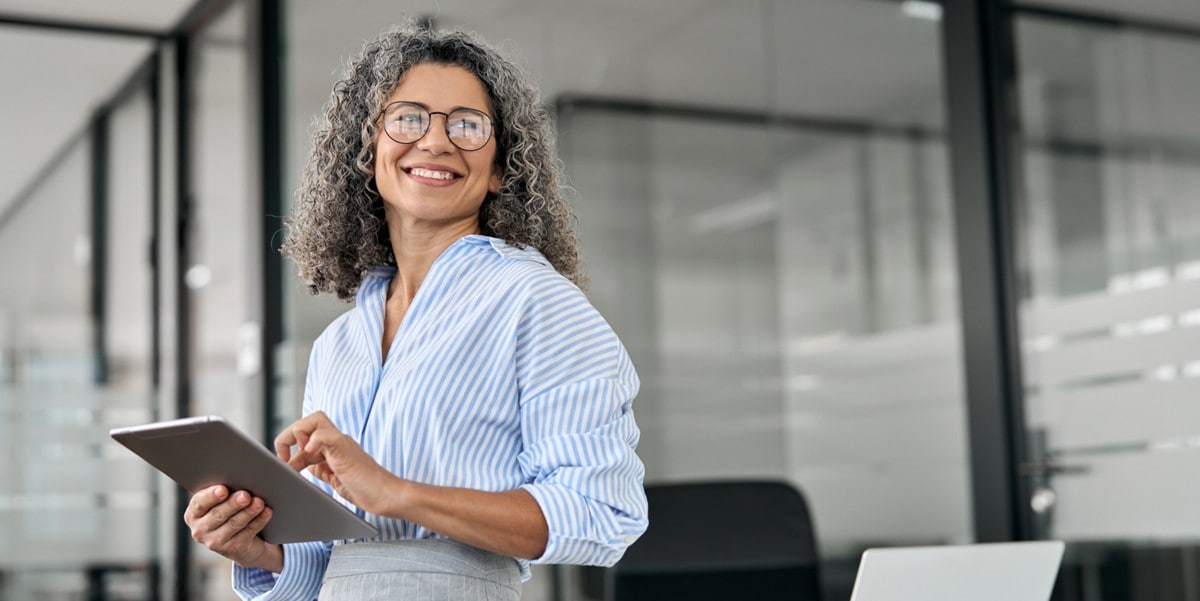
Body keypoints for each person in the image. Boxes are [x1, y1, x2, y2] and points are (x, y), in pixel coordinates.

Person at [183, 23, 648, 600]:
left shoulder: (535, 301)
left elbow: (602, 513)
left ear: (501, 167)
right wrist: (259, 548)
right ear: (367, 149)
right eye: (408, 118)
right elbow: (338, 558)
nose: (435, 142)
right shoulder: (340, 344)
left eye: (467, 125)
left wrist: (397, 492)